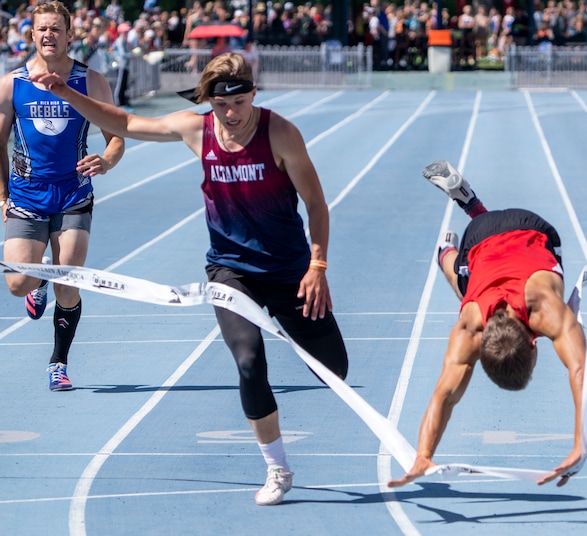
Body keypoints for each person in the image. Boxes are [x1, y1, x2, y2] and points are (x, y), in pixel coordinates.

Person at [30, 52, 349, 507]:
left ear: (253, 95)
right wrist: (67, 92)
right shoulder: (195, 129)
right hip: (230, 271)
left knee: (334, 371)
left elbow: (316, 203)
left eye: (239, 103)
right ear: (208, 103)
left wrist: (318, 267)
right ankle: (278, 467)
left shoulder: (280, 133)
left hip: (289, 270)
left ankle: (298, 333)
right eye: (222, 106)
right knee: (248, 364)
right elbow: (122, 121)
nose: (231, 115)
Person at [388, 160, 587, 489]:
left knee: (468, 289)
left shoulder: (545, 310)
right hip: (485, 235)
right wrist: (421, 455)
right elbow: (443, 396)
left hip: (533, 229)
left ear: (534, 347)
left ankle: (452, 242)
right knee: (468, 291)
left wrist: (425, 454)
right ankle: (448, 246)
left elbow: (446, 395)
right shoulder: (471, 328)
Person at [0, 1, 125, 392]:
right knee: (18, 283)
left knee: (68, 281)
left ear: (70, 35)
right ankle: (37, 283)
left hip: (73, 194)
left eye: (57, 28)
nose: (49, 35)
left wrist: (105, 161)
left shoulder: (92, 81)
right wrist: (2, 195)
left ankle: (58, 362)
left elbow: (117, 136)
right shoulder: (12, 84)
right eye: (42, 29)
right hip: (26, 195)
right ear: (32, 35)